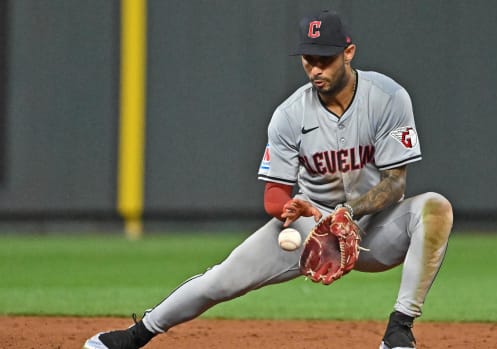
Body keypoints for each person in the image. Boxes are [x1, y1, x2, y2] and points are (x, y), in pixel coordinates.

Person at [83, 9, 452, 349]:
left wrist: (348, 215)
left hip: (375, 225)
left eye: (325, 58)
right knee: (220, 280)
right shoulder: (289, 115)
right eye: (309, 59)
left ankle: (399, 328)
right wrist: (288, 208)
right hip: (312, 227)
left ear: (349, 52)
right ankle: (135, 335)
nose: (315, 69)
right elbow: (274, 194)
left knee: (436, 208)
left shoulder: (388, 98)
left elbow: (395, 184)